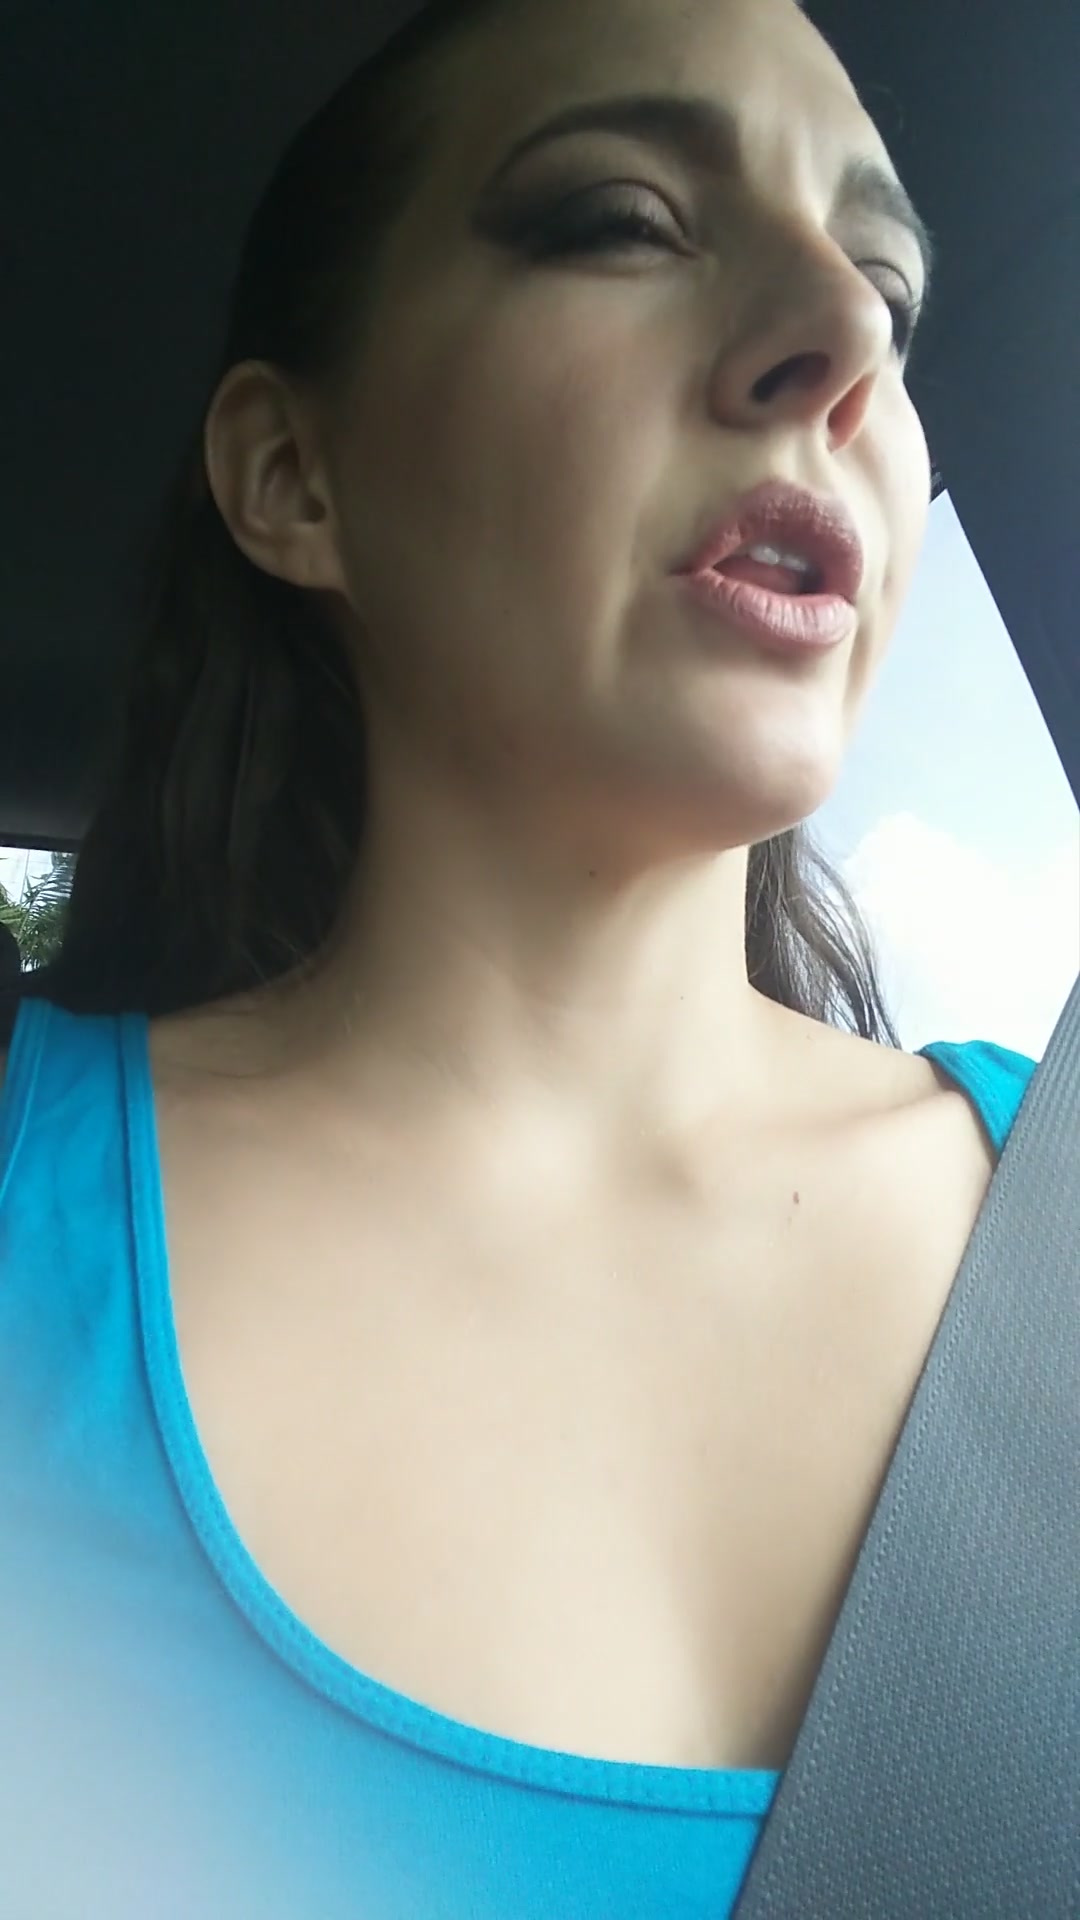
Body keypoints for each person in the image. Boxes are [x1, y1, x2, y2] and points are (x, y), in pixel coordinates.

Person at [0, 0, 1040, 1914]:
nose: (843, 332)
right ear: (294, 477)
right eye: (626, 220)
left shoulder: (1050, 1235)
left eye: (890, 285)